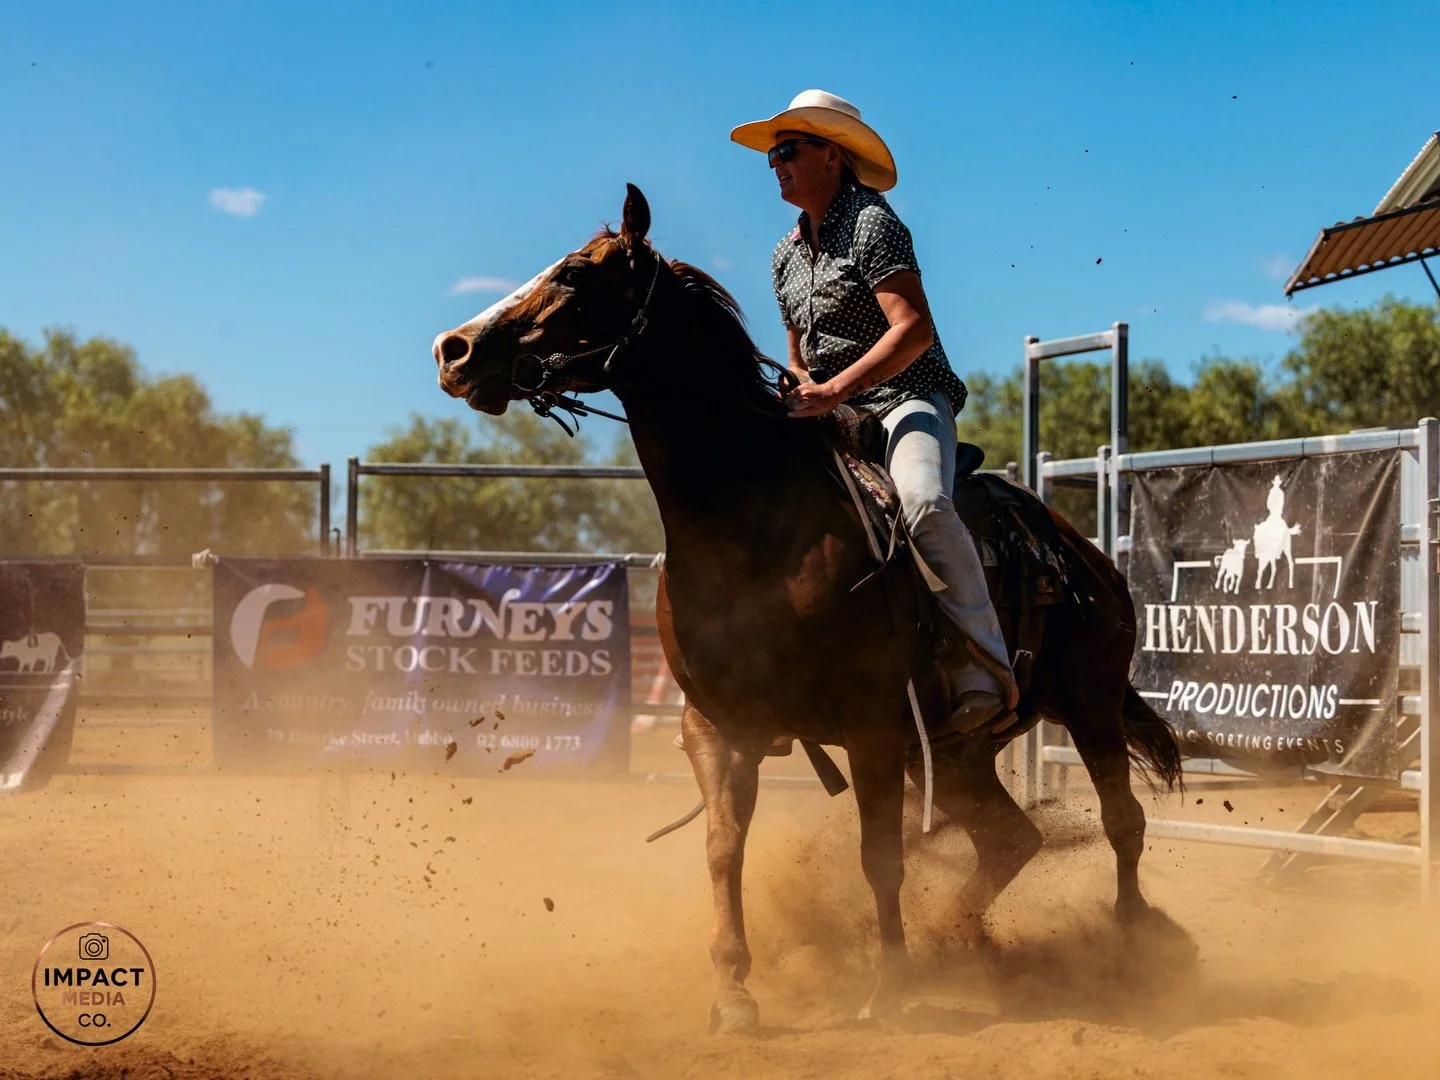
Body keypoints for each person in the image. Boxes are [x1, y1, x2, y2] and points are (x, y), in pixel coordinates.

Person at [731, 89, 1018, 732]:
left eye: (788, 151)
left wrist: (834, 392)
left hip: (906, 399)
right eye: (772, 156)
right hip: (829, 416)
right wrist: (801, 388)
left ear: (832, 156)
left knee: (923, 503)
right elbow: (797, 353)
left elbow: (912, 328)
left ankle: (984, 666)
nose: (775, 164)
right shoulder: (784, 254)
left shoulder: (871, 224)